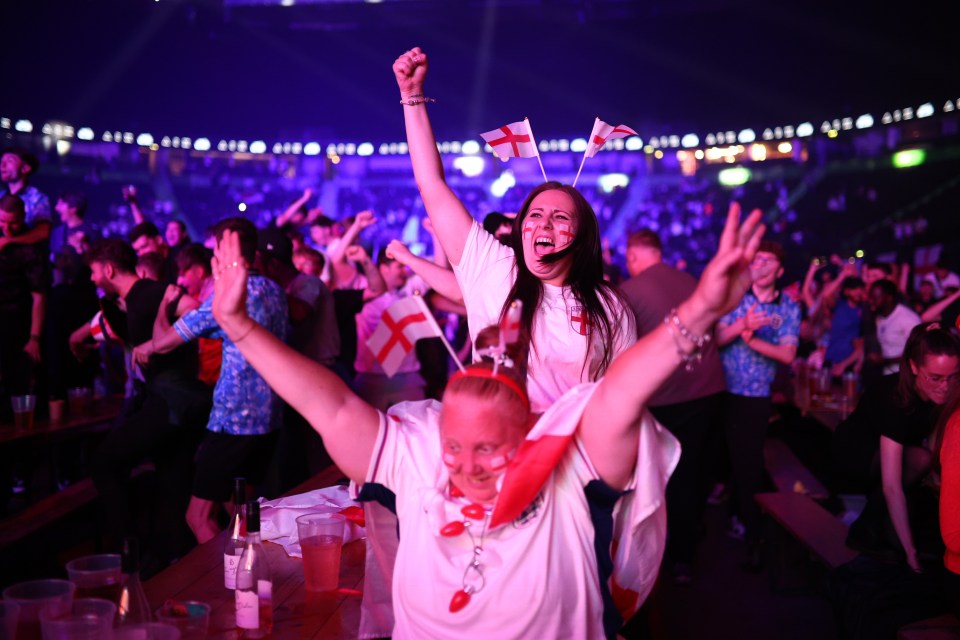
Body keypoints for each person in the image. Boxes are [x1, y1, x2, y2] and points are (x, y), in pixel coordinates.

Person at [208, 204, 764, 638]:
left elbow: (622, 391)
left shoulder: (566, 466)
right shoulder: (420, 452)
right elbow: (329, 405)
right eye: (455, 445)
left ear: (527, 432)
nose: (465, 465)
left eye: (488, 448)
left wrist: (699, 312)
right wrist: (238, 327)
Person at [393, 47, 635, 413]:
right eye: (535, 215)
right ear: (522, 228)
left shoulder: (610, 306)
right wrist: (412, 98)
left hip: (572, 456)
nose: (544, 223)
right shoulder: (493, 267)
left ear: (582, 238)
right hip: (495, 447)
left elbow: (625, 395)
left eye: (561, 218)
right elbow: (432, 186)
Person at [132, 218, 289, 544]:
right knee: (240, 513)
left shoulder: (229, 295)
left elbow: (165, 342)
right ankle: (250, 580)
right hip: (270, 418)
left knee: (197, 516)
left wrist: (157, 322)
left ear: (221, 250)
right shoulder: (275, 291)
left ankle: (230, 589)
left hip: (233, 421)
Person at [619, 227, 727, 584]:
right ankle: (687, 546)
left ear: (633, 255)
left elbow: (622, 349)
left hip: (669, 396)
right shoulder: (691, 279)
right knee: (694, 473)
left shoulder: (630, 291)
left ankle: (671, 558)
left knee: (664, 478)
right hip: (710, 388)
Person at [846, 323, 960, 572]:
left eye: (953, 377)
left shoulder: (937, 394)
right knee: (919, 461)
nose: (946, 386)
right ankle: (866, 527)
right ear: (913, 367)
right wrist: (911, 553)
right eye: (936, 378)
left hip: (898, 454)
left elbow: (936, 446)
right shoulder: (895, 399)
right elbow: (891, 485)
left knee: (927, 468)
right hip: (854, 455)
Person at [716, 239, 801, 567]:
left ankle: (753, 533)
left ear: (779, 270)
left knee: (748, 461)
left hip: (755, 396)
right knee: (729, 458)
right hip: (721, 390)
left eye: (768, 261)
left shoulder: (789, 308)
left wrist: (753, 340)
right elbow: (716, 340)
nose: (761, 266)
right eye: (757, 260)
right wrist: (743, 326)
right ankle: (736, 514)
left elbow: (788, 355)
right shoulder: (734, 298)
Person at [0, 194, 46, 420]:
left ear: (23, 217)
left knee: (13, 387)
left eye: (13, 222)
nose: (7, 228)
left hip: (16, 322)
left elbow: (39, 297)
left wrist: (34, 338)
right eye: (2, 222)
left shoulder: (31, 250)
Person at [0, 148, 51, 249]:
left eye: (10, 161)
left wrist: (10, 241)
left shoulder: (37, 199)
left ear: (25, 168)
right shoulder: (1, 195)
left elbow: (43, 232)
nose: (2, 165)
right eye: (2, 161)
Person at [869, 278, 921, 375]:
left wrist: (886, 360)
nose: (871, 301)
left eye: (875, 298)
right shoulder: (879, 317)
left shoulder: (908, 319)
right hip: (888, 376)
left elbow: (919, 352)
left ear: (889, 298)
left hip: (905, 377)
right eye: (870, 297)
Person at [50, 191, 99, 258]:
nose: (56, 208)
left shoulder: (91, 232)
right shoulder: (58, 232)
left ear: (73, 209)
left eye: (61, 204)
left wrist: (83, 247)